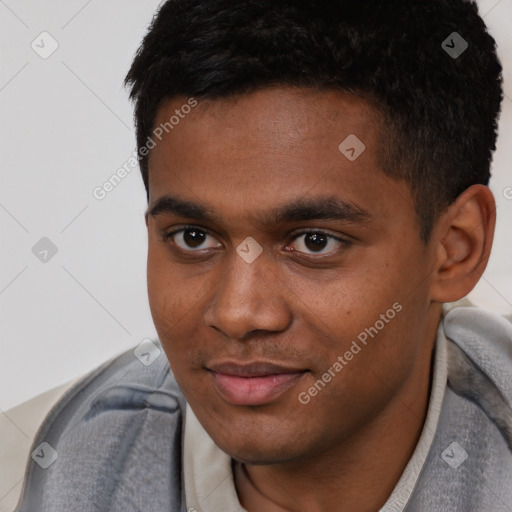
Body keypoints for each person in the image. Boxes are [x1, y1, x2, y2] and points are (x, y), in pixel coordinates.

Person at [14, 0, 512, 511]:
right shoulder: (59, 463)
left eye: (314, 242)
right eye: (192, 237)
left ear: (456, 249)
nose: (237, 314)